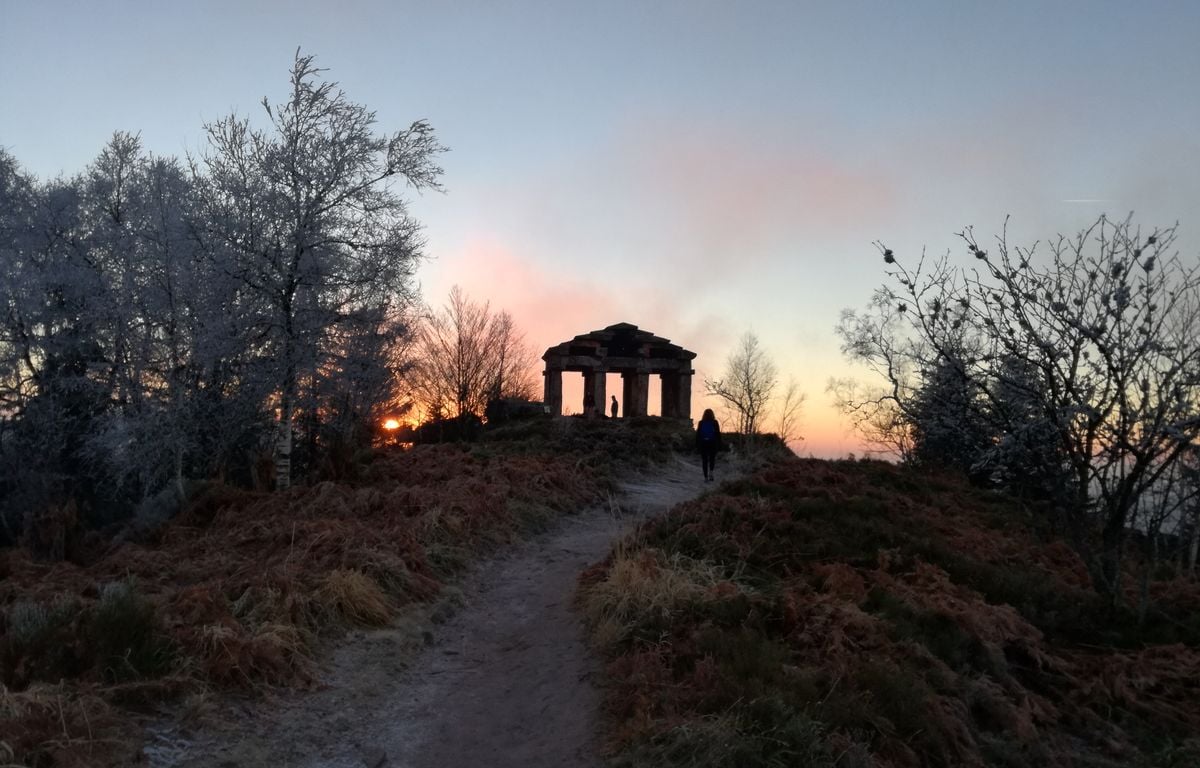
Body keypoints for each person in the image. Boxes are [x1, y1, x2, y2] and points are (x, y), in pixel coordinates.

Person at [696, 408, 721, 481]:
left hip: (703, 443)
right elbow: (717, 433)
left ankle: (705, 477)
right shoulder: (715, 422)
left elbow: (698, 434)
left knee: (704, 460)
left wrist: (697, 444)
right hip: (712, 443)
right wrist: (719, 443)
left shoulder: (701, 422)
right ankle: (711, 473)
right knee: (712, 459)